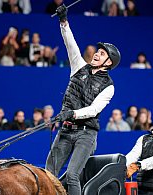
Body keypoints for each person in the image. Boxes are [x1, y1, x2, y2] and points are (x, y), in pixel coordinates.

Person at [45, 5, 121, 195]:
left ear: (109, 63)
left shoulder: (109, 86)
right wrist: (64, 22)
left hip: (86, 134)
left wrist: (71, 113)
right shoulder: (79, 66)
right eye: (98, 51)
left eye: (102, 53)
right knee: (48, 174)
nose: (97, 53)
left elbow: (94, 110)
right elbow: (70, 44)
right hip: (66, 130)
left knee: (72, 175)